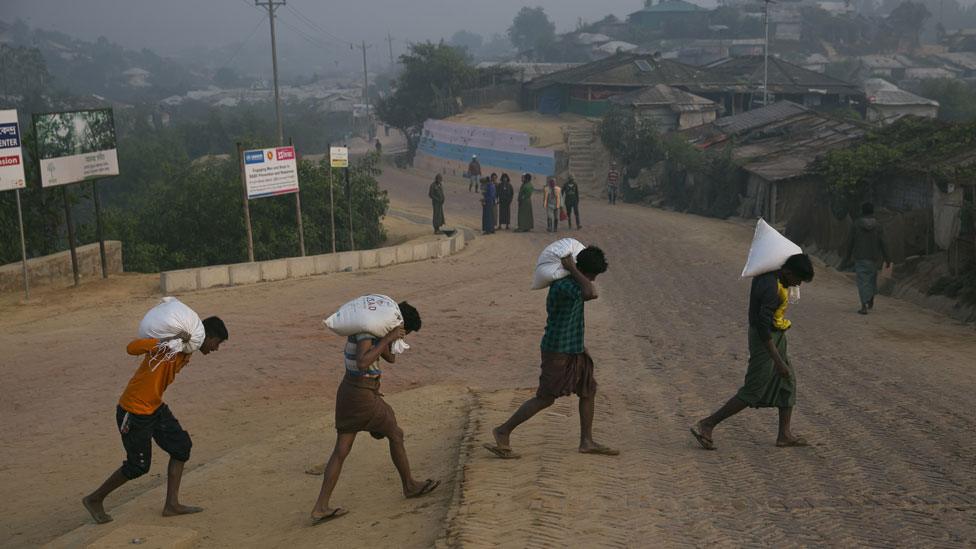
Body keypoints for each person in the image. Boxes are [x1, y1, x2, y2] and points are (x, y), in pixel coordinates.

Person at [82, 317, 229, 524]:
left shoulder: (186, 351)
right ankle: (95, 499)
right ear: (209, 337)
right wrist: (165, 343)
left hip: (154, 407)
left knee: (181, 446)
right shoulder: (168, 347)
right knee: (138, 466)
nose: (216, 348)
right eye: (218, 343)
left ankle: (171, 505)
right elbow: (131, 348)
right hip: (133, 411)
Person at [309, 303, 439, 525]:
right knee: (395, 434)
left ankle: (320, 507)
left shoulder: (374, 328)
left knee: (341, 450)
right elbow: (362, 362)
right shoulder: (367, 330)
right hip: (362, 395)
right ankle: (409, 485)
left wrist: (391, 339)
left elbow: (391, 359)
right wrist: (388, 339)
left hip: (349, 393)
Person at [485, 247, 617, 459]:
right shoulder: (564, 285)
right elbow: (590, 293)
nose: (593, 279)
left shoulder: (574, 281)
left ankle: (586, 441)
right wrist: (573, 269)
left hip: (574, 348)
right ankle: (503, 431)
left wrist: (575, 270)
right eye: (592, 275)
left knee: (588, 390)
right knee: (545, 398)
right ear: (583, 271)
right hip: (558, 351)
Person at [691, 254, 815, 451]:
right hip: (765, 341)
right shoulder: (770, 288)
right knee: (753, 390)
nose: (797, 284)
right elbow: (763, 328)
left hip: (777, 335)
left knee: (787, 383)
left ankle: (784, 435)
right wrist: (778, 361)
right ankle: (707, 424)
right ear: (788, 272)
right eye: (797, 280)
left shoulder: (772, 276)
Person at [845, 202, 891, 315]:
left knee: (862, 282)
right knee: (871, 279)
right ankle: (870, 298)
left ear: (862, 211)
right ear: (872, 212)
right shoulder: (878, 226)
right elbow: (884, 243)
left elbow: (850, 242)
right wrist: (887, 258)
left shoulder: (856, 225)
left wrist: (846, 257)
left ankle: (863, 306)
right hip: (874, 258)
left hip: (860, 257)